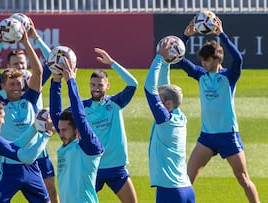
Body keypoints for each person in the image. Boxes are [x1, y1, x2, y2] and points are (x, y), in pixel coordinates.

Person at [177, 17, 260, 203]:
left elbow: (238, 58)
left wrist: (221, 34)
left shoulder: (229, 77)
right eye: (202, 61)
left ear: (217, 59)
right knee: (186, 180)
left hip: (229, 136)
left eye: (206, 60)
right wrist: (185, 36)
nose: (203, 64)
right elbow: (179, 60)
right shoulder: (201, 75)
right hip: (207, 137)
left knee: (243, 179)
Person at [0, 19, 59, 203]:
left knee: (50, 189)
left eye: (22, 63)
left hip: (37, 144)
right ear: (8, 67)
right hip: (15, 150)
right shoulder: (9, 86)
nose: (20, 66)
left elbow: (51, 63)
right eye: (15, 64)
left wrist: (34, 38)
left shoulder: (31, 83)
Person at [82, 48, 138, 203]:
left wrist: (112, 63)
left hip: (116, 167)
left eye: (100, 85)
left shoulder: (115, 103)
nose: (96, 88)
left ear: (108, 86)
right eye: (93, 85)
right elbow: (59, 117)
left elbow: (133, 84)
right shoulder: (82, 107)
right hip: (93, 167)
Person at [144, 39, 195, 203]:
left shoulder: (164, 120)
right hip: (187, 189)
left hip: (170, 191)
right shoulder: (179, 116)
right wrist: (167, 63)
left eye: (160, 99)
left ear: (167, 103)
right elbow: (164, 86)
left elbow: (148, 88)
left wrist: (159, 58)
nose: (157, 100)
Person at [49, 56, 104, 203]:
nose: (60, 134)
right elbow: (55, 115)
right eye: (60, 130)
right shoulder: (67, 145)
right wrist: (55, 82)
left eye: (65, 130)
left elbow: (80, 117)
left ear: (77, 130)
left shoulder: (90, 147)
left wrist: (71, 81)